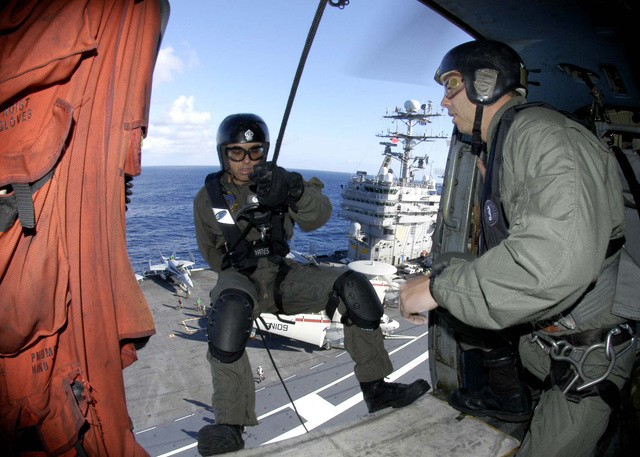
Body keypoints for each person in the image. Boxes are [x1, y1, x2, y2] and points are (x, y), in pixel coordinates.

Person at [399, 40, 639, 456]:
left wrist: (438, 290)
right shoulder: (508, 140)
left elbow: (553, 263)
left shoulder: (543, 136)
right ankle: (510, 397)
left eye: (451, 86)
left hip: (589, 353)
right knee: (449, 265)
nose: (443, 101)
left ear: (485, 83)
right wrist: (443, 279)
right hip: (548, 335)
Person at [193, 113, 430, 455]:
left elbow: (318, 216)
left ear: (265, 151)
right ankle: (230, 425)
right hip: (240, 277)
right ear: (223, 154)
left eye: (255, 151)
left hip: (283, 275)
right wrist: (238, 275)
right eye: (237, 152)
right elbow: (211, 252)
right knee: (228, 314)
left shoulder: (282, 182)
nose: (247, 160)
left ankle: (377, 389)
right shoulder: (208, 198)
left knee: (355, 287)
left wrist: (295, 189)